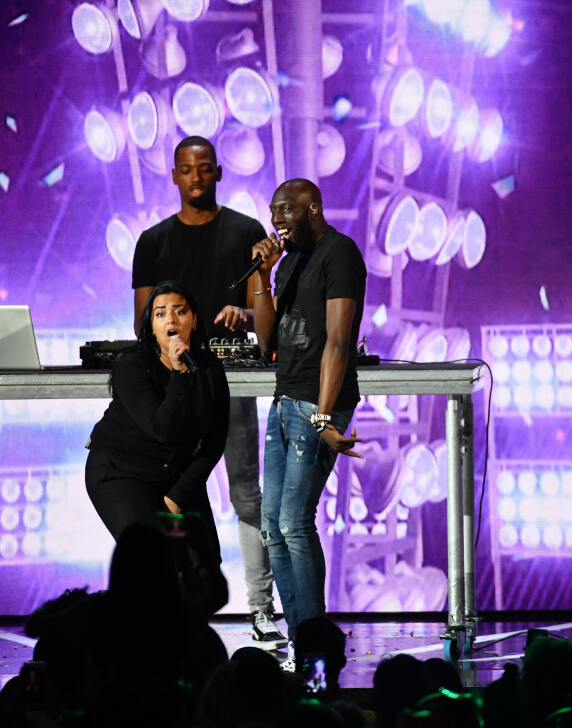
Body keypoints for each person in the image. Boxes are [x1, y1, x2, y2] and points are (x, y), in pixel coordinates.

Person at [131, 135, 286, 649]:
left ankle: (262, 608)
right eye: (186, 170)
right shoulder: (153, 242)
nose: (196, 178)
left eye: (204, 170)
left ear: (218, 173)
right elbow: (142, 322)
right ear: (174, 175)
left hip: (229, 384)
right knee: (170, 499)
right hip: (172, 389)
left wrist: (244, 311)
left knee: (246, 495)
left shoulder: (244, 231)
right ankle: (171, 610)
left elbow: (263, 319)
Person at [251, 178, 367, 670]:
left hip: (316, 405)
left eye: (286, 209)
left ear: (313, 207)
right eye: (273, 210)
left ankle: (316, 642)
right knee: (272, 528)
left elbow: (338, 343)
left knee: (295, 524)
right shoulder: (290, 260)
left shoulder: (339, 254)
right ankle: (303, 638)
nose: (277, 218)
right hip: (284, 400)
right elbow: (265, 341)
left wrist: (323, 416)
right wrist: (262, 275)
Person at [85, 280, 229, 614]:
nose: (171, 321)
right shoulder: (133, 367)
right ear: (151, 326)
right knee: (155, 562)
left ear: (193, 318)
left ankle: (189, 647)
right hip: (122, 473)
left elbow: (214, 442)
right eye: (161, 314)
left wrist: (177, 495)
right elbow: (161, 428)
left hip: (174, 476)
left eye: (180, 311)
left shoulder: (209, 369)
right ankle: (101, 625)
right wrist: (178, 375)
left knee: (205, 566)